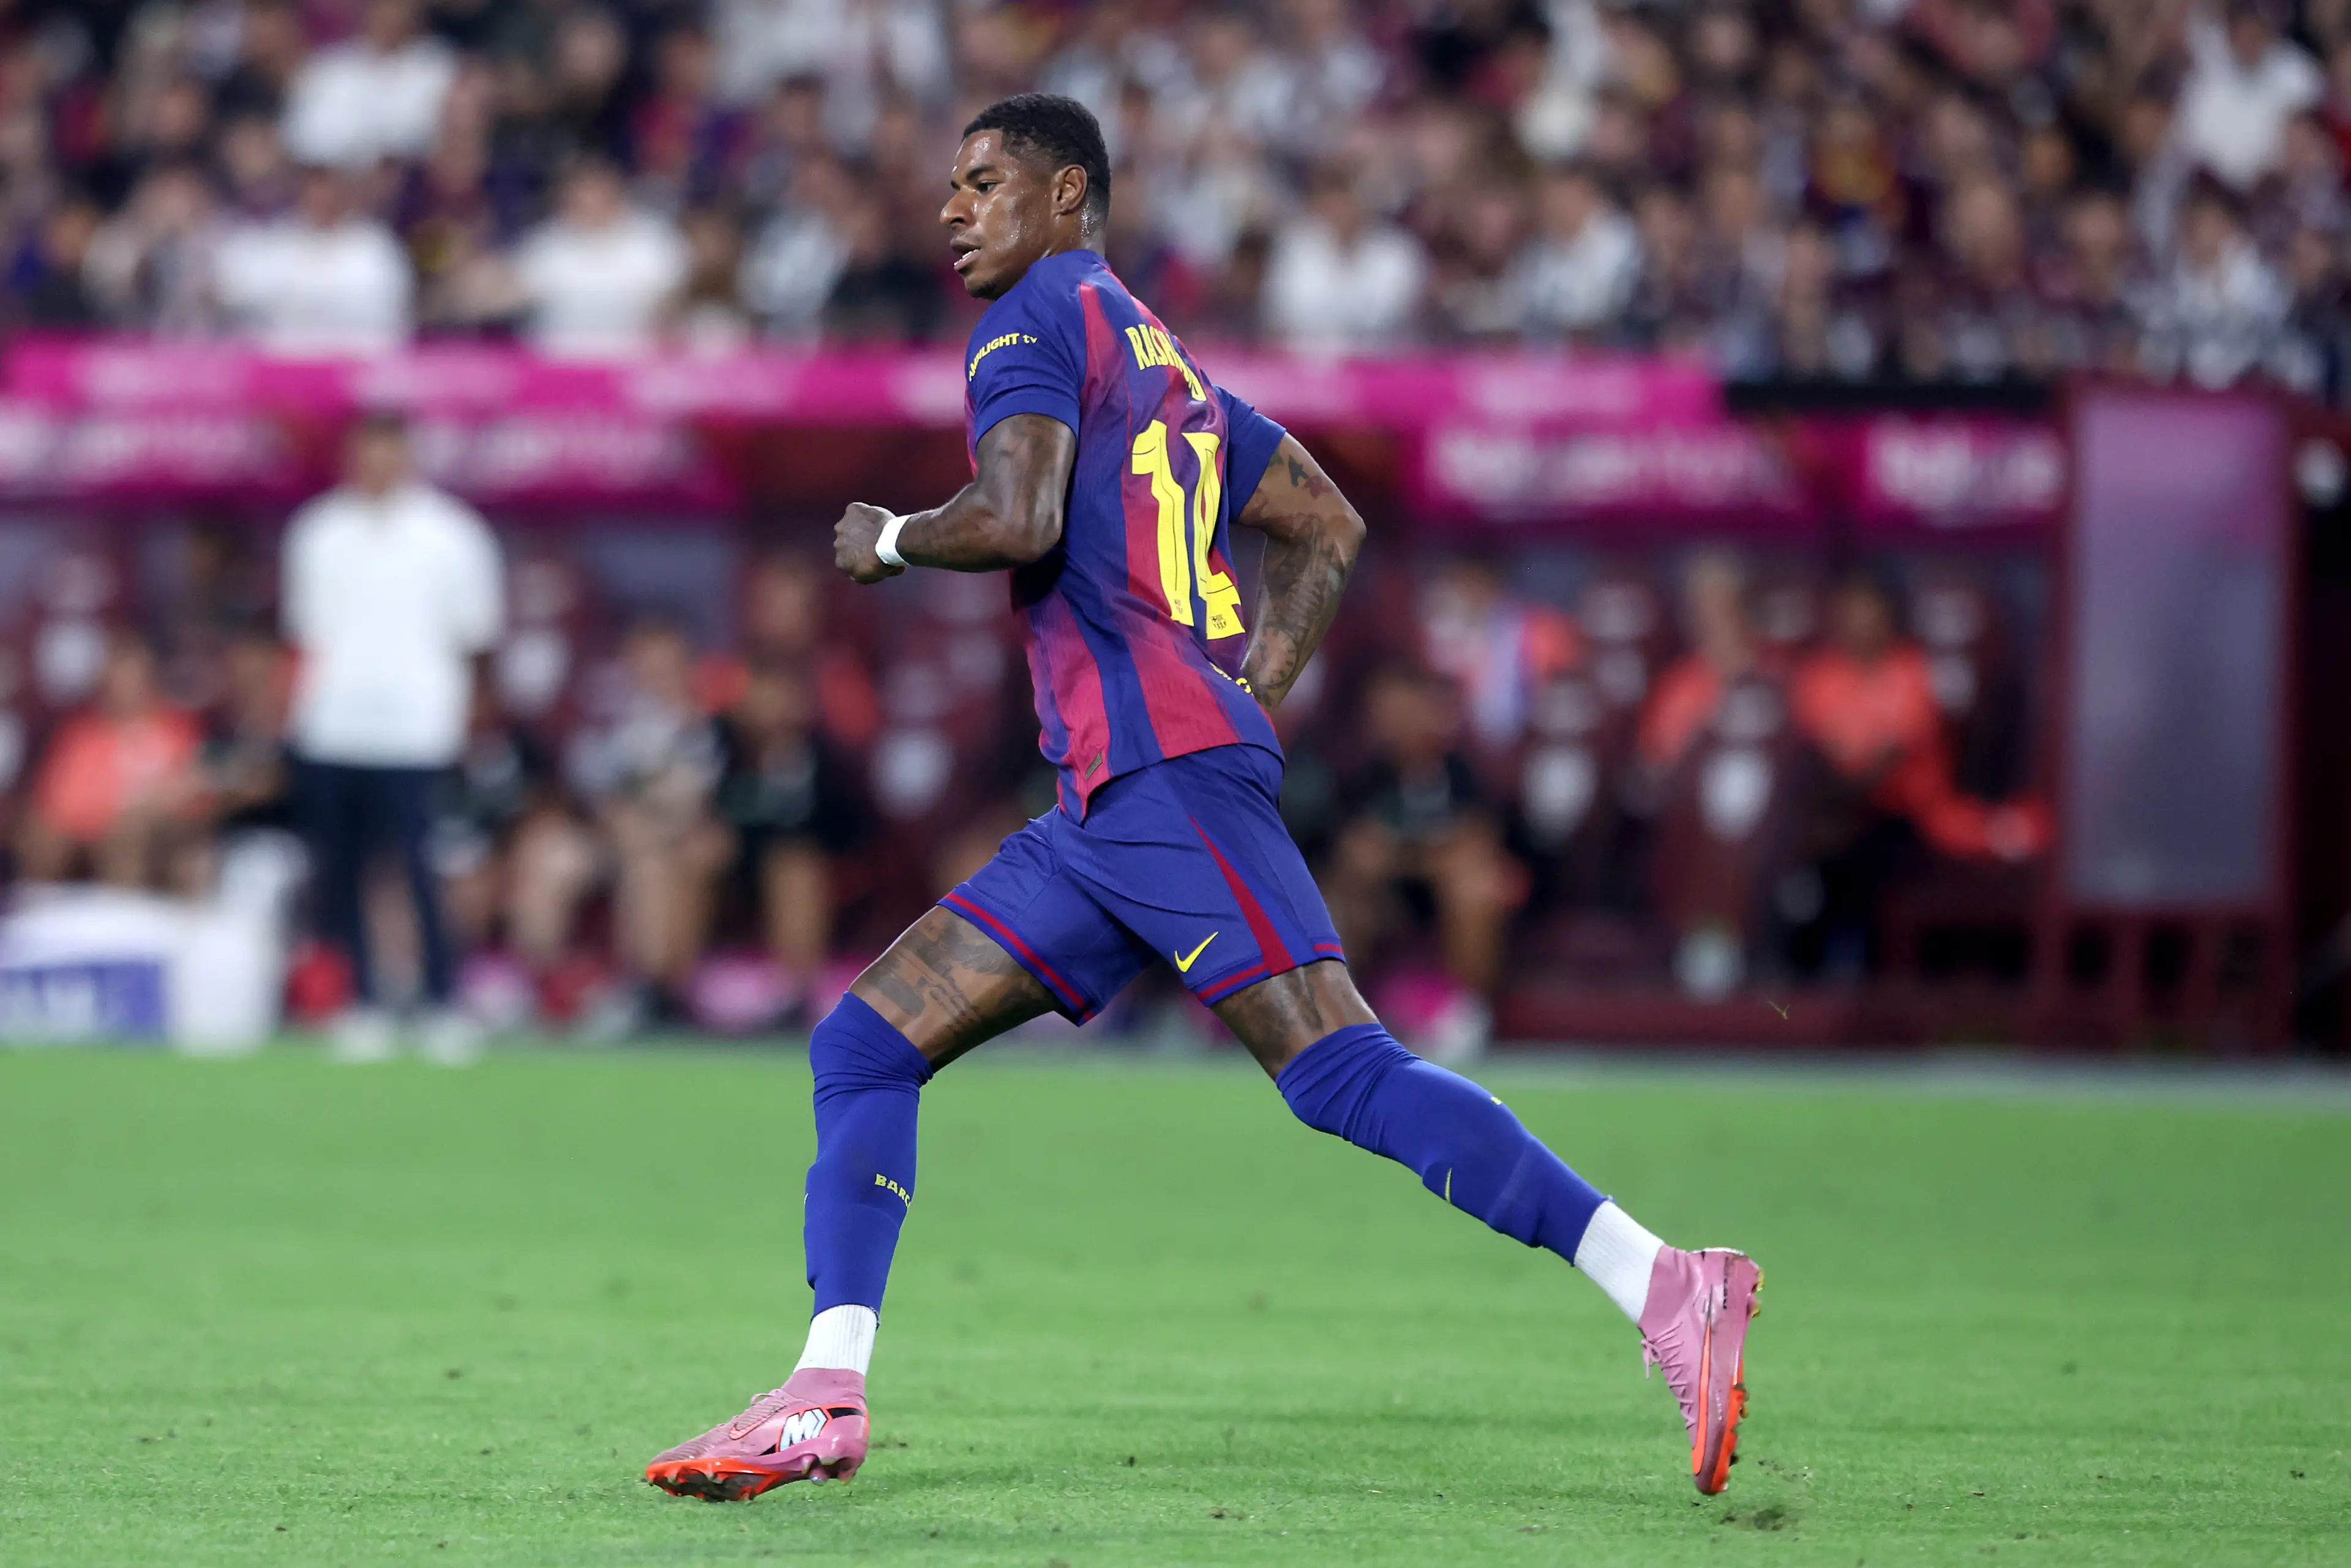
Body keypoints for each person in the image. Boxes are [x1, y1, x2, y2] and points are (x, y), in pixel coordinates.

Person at [645, 94, 1761, 1504]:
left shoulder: (1027, 321)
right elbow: (1324, 521)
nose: (951, 209)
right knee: (865, 1041)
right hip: (1109, 801)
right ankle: (824, 1388)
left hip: (1159, 778)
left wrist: (897, 538)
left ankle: (1664, 1278)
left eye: (984, 182)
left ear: (1067, 195)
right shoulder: (1157, 358)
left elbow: (1019, 513)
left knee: (1339, 1069)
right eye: (951, 185)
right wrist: (1255, 687)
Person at [282, 412, 503, 1064]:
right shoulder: (318, 532)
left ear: (408, 458)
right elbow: (307, 631)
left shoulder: (452, 535)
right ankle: (362, 1003)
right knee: (344, 871)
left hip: (419, 731)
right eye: (365, 455)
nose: (376, 467)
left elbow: (476, 635)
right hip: (333, 726)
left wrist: (465, 720)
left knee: (422, 868)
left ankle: (441, 1001)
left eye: (388, 454)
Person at [15, 631, 201, 891]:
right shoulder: (82, 734)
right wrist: (108, 811)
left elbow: (189, 790)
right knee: (41, 833)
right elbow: (60, 800)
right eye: (118, 676)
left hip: (160, 832)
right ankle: (40, 905)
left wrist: (138, 808)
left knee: (133, 830)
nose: (125, 686)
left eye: (134, 675)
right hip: (94, 831)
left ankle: (131, 908)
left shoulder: (177, 728)